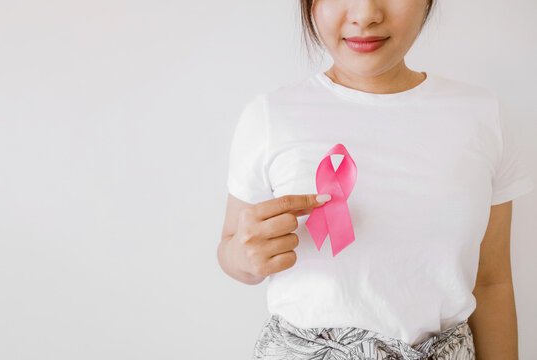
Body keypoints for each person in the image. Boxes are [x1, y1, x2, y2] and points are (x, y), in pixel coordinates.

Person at [217, 0, 534, 359]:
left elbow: (491, 282)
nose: (365, 14)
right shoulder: (271, 116)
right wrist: (242, 256)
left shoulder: (482, 115)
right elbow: (232, 249)